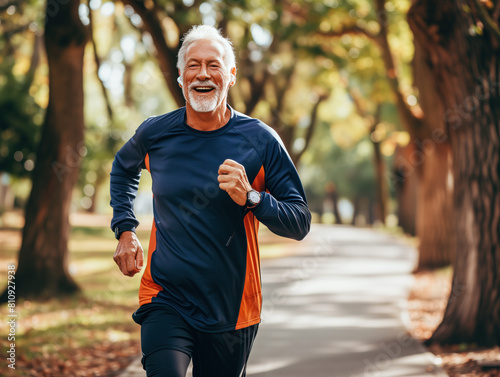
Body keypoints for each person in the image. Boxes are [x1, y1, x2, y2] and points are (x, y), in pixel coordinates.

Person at [110, 24, 311, 377]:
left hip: (231, 309)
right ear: (180, 77)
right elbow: (123, 169)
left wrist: (252, 197)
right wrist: (125, 229)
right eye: (193, 65)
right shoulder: (156, 134)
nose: (203, 74)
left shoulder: (260, 141)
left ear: (230, 76)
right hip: (165, 297)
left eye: (213, 65)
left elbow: (299, 222)